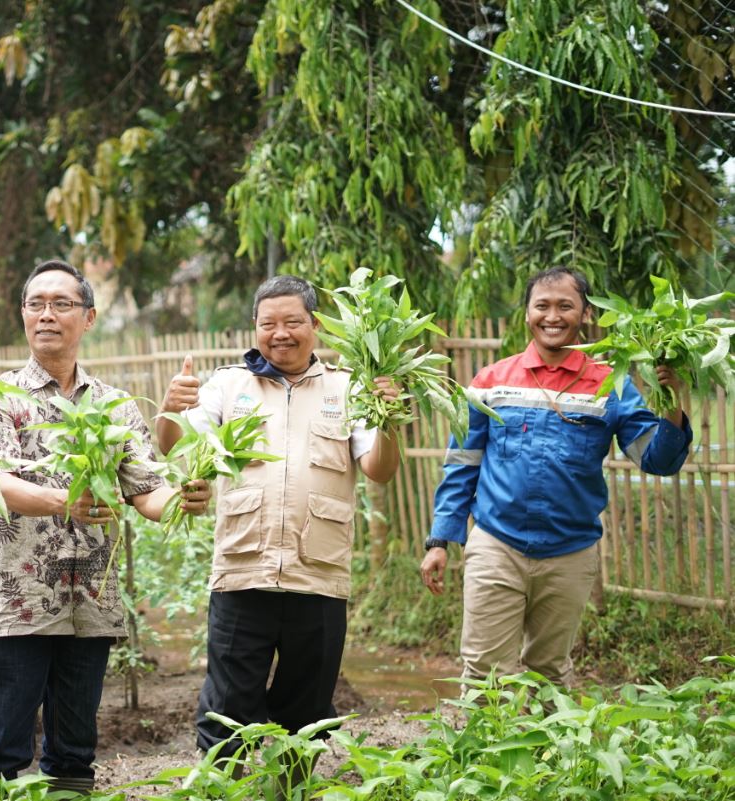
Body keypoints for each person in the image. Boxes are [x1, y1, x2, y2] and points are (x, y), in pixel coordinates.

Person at [0, 260, 211, 794]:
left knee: (74, 754)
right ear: (23, 315)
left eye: (61, 304)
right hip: (18, 601)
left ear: (89, 317)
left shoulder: (114, 406)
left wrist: (182, 500)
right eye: (36, 304)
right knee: (1, 750)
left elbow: (146, 489)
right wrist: (65, 502)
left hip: (90, 606)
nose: (46, 315)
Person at [156, 274, 402, 763]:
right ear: (254, 327)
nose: (280, 333)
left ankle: (294, 789)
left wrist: (389, 419)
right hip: (243, 573)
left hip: (319, 577)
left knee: (307, 713)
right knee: (226, 711)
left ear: (316, 326)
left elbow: (380, 471)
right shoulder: (229, 384)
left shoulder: (347, 388)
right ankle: (222, 792)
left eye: (293, 322)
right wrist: (169, 409)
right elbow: (172, 444)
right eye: (268, 323)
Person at [420, 267, 692, 686]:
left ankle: (553, 752)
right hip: (497, 543)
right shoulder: (490, 382)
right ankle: (488, 752)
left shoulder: (611, 385)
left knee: (549, 671)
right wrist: (441, 539)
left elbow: (656, 460)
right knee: (484, 673)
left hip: (570, 551)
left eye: (566, 306)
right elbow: (462, 463)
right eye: (541, 305)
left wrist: (672, 403)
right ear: (526, 314)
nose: (553, 316)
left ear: (585, 314)